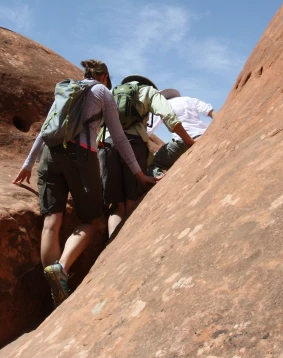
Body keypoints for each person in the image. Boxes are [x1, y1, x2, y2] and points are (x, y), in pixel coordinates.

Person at [13, 60, 157, 307]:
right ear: (105, 76)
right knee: (90, 221)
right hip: (81, 156)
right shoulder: (102, 92)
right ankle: (62, 268)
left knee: (51, 222)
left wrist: (28, 164)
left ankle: (55, 293)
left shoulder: (66, 89)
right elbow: (119, 137)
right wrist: (139, 174)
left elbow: (45, 129)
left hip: (50, 154)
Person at [99, 75, 196, 239]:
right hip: (133, 144)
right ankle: (126, 245)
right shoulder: (147, 91)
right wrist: (189, 141)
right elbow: (168, 115)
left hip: (106, 144)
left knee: (117, 205)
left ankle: (111, 244)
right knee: (132, 200)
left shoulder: (111, 94)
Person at [148, 89, 214, 177]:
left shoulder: (162, 107)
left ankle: (160, 180)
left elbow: (148, 130)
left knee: (152, 163)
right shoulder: (188, 99)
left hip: (182, 142)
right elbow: (210, 111)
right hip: (202, 133)